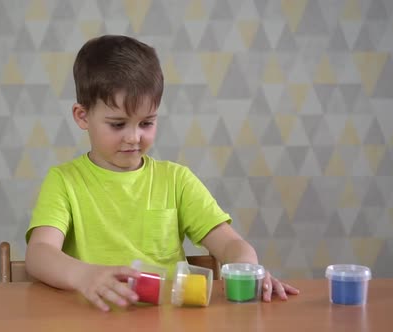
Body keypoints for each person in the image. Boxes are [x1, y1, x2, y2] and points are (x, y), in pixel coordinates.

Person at [25, 35, 299, 311]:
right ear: (82, 117)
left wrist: (248, 270)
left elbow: (231, 244)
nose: (134, 137)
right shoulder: (64, 181)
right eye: (118, 124)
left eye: (146, 123)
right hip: (94, 319)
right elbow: (39, 254)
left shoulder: (176, 180)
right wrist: (84, 275)